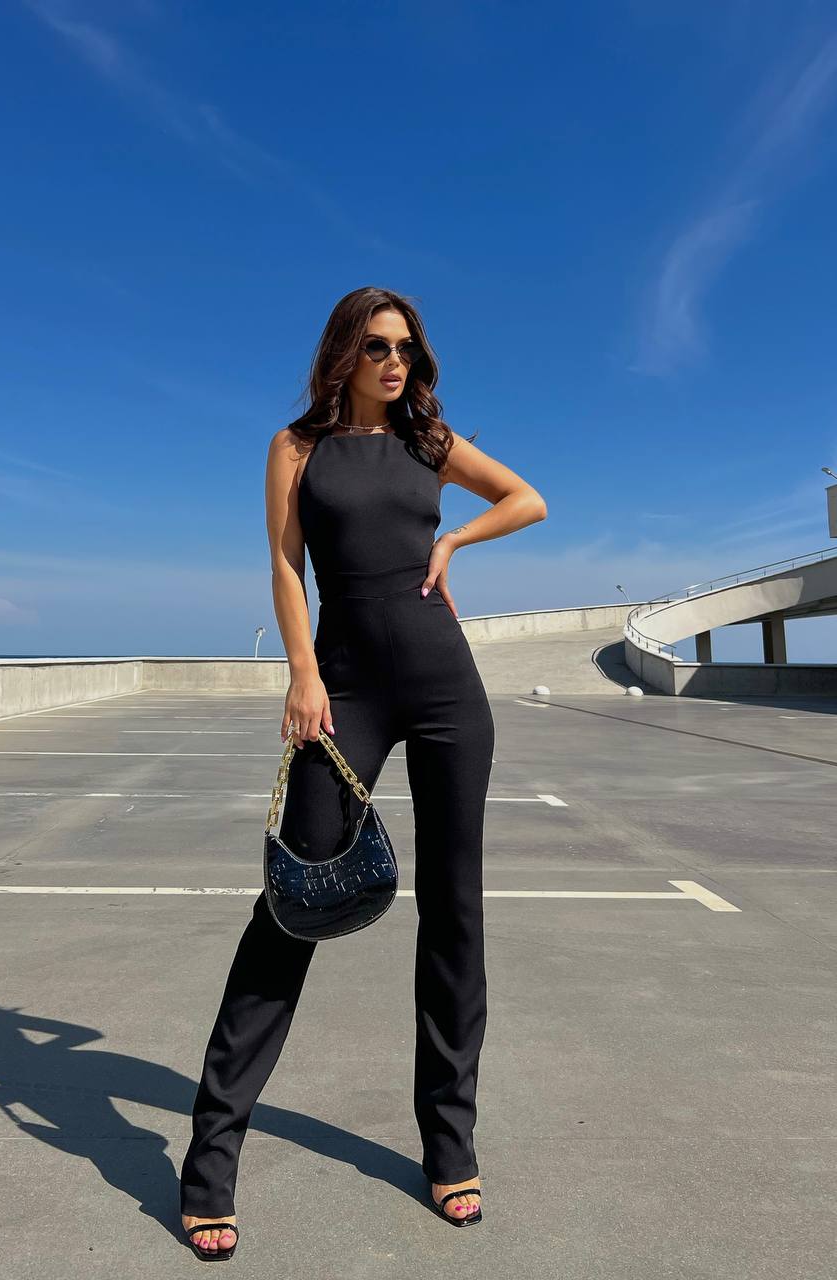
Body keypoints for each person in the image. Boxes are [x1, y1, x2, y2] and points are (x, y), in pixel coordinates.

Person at [180, 285, 547, 1259]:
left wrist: (456, 538)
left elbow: (528, 496)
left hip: (444, 687)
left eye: (407, 350)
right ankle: (210, 1156)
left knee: (455, 910)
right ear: (343, 352)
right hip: (342, 693)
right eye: (378, 346)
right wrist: (300, 674)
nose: (396, 361)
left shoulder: (429, 442)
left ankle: (448, 1138)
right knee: (290, 904)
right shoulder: (294, 447)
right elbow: (282, 571)